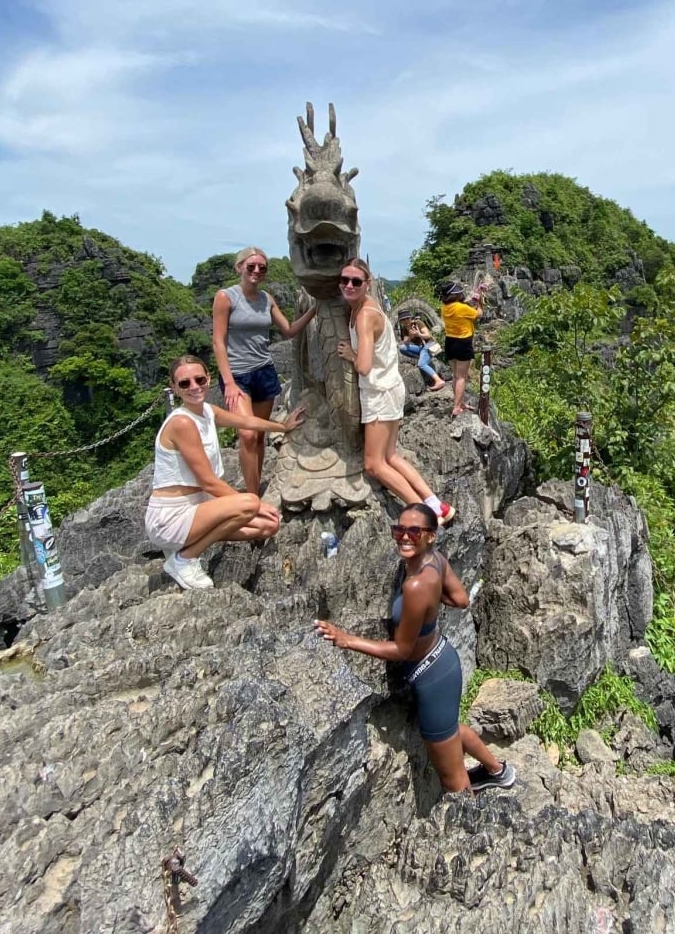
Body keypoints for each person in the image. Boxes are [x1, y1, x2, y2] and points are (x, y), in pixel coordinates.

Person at [314, 503, 516, 793]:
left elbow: (402, 650)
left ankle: (469, 826)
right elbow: (460, 600)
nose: (404, 537)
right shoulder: (437, 561)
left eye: (414, 531)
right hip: (442, 661)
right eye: (399, 530)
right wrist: (432, 601)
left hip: (429, 675)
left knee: (453, 779)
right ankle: (498, 772)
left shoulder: (417, 586)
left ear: (431, 535)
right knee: (449, 729)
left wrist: (347, 640)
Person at [145, 355, 306, 590]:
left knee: (268, 527)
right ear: (174, 388)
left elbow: (246, 422)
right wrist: (256, 505)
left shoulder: (207, 411)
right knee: (251, 504)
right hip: (171, 517)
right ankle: (184, 558)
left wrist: (282, 427)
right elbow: (209, 483)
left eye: (199, 379)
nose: (194, 387)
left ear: (208, 378)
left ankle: (187, 545)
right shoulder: (182, 423)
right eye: (184, 383)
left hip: (197, 509)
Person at [337, 258, 455, 524]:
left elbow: (365, 366)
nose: (349, 285)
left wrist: (350, 354)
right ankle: (438, 506)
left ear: (367, 284)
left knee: (374, 464)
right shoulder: (367, 306)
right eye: (344, 280)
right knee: (390, 456)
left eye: (356, 281)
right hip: (391, 387)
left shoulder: (366, 314)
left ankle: (425, 514)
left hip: (379, 392)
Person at [212, 246, 317, 494]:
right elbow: (218, 341)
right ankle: (251, 497)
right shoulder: (226, 297)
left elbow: (289, 330)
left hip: (264, 371)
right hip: (238, 375)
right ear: (239, 268)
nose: (257, 271)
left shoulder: (266, 299)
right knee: (247, 434)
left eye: (262, 267)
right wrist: (228, 382)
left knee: (259, 435)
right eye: (251, 266)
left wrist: (314, 309)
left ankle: (255, 484)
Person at [440, 281, 483, 417]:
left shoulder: (445, 308)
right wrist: (479, 303)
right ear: (456, 294)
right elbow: (478, 314)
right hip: (463, 342)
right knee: (462, 377)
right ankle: (457, 407)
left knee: (455, 376)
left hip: (450, 342)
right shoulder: (461, 307)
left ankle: (460, 403)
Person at [397, 317, 447, 392]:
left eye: (407, 319)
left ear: (410, 318)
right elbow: (405, 343)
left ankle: (439, 381)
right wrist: (410, 337)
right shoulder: (404, 329)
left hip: (429, 345)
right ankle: (422, 358)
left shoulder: (417, 323)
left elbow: (428, 336)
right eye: (403, 320)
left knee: (421, 364)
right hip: (421, 348)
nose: (406, 321)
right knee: (402, 348)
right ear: (401, 321)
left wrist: (418, 334)